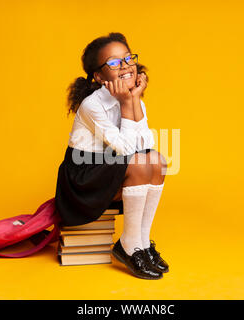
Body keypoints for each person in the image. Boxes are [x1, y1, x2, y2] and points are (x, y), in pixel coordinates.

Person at [55, 32, 169, 280]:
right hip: (82, 179)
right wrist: (128, 103)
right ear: (98, 76)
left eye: (128, 58)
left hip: (108, 169)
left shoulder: (132, 97)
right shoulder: (92, 105)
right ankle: (129, 246)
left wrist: (134, 99)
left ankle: (142, 243)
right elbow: (129, 152)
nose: (126, 66)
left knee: (158, 162)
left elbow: (146, 146)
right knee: (140, 164)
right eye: (115, 63)